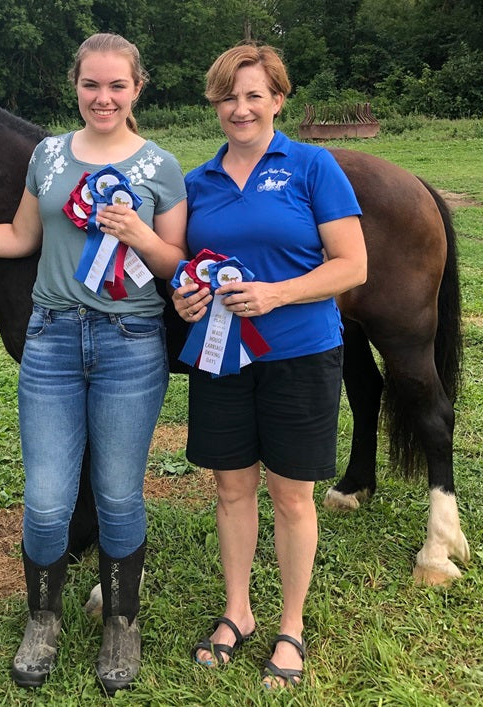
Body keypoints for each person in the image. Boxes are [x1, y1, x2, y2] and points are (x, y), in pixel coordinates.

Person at [0, 33, 188, 694]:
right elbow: (21, 236)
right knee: (47, 500)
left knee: (115, 494)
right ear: (74, 87)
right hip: (50, 341)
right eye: (90, 85)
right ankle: (43, 619)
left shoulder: (160, 166)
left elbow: (175, 262)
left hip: (130, 344)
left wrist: (138, 235)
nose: (102, 97)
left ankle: (121, 621)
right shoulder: (47, 156)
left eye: (116, 85)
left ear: (137, 88)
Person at [173, 42, 366, 689]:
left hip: (300, 355)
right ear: (214, 102)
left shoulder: (312, 166)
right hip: (220, 357)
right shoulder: (196, 182)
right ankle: (237, 612)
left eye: (253, 94)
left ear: (277, 99)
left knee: (291, 496)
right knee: (229, 489)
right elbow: (185, 268)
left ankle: (290, 625)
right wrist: (184, 294)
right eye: (228, 95)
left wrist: (277, 293)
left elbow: (351, 265)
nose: (240, 106)